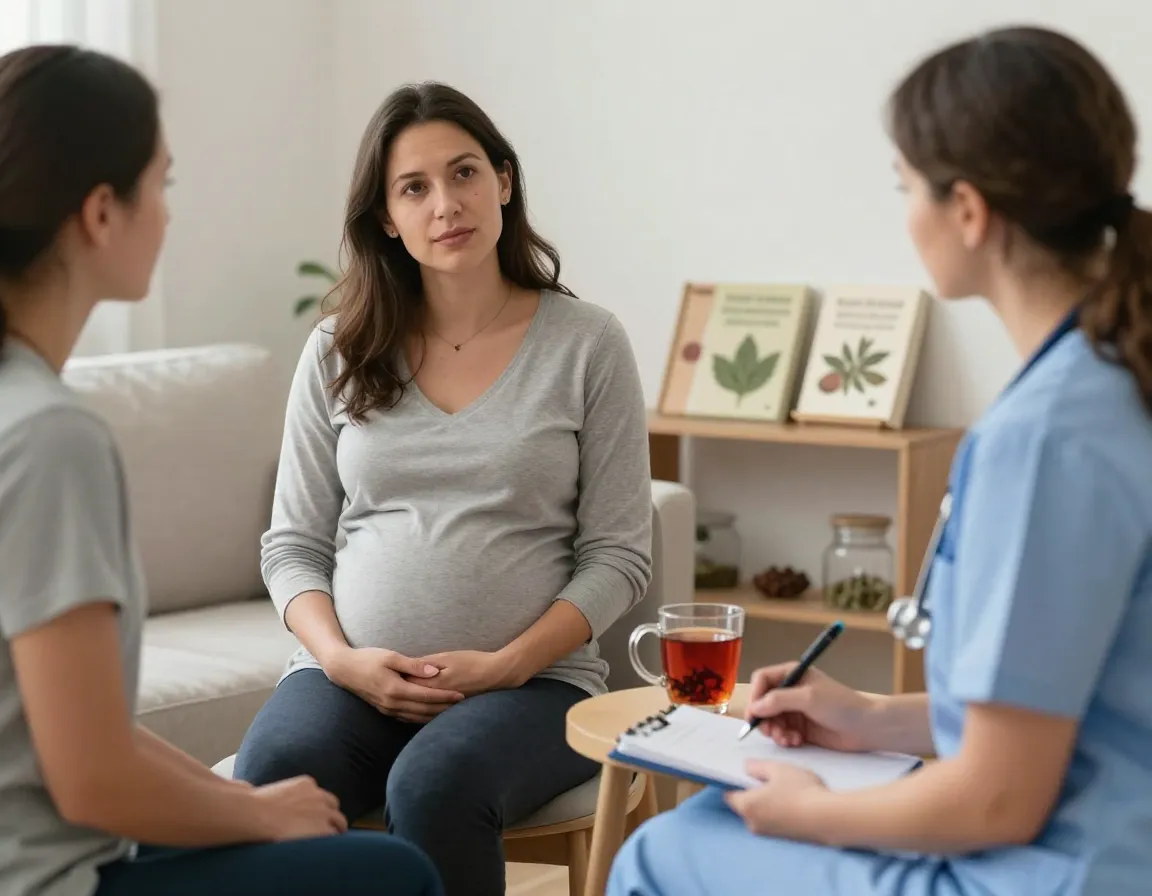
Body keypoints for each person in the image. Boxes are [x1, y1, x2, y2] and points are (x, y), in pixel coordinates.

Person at [609, 24, 1152, 896]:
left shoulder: (1045, 439)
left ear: (969, 212)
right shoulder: (1116, 379)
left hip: (1051, 870)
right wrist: (865, 716)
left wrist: (812, 810)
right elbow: (1067, 713)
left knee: (659, 853)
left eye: (907, 187)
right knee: (715, 818)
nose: (905, 214)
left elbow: (999, 799)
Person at [0, 44, 443, 896]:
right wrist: (260, 815)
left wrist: (241, 797)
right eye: (160, 185)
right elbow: (90, 776)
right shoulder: (50, 439)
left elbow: (81, 733)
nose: (167, 214)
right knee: (393, 875)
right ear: (100, 212)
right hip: (48, 877)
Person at [231, 80, 653, 896]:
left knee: (434, 784)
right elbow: (293, 545)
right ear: (386, 217)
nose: (445, 204)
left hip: (535, 688)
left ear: (503, 180)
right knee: (277, 769)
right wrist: (341, 661)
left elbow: (618, 555)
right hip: (349, 679)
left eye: (464, 174)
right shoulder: (337, 349)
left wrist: (503, 665)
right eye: (414, 188)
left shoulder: (587, 344)